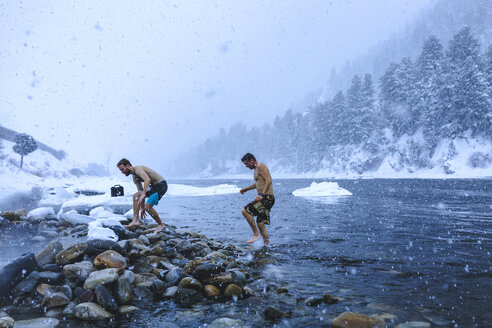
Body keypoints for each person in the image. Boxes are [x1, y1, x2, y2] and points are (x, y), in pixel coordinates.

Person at [117, 158, 168, 233]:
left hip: (161, 186)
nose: (122, 172)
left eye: (122, 169)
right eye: (120, 170)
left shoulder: (138, 169)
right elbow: (140, 193)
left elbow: (147, 180)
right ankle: (135, 220)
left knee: (148, 207)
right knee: (136, 196)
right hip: (153, 187)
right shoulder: (135, 178)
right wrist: (142, 208)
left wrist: (143, 194)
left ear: (127, 166)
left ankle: (161, 224)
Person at [239, 153, 275, 246]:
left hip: (267, 198)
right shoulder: (255, 169)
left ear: (252, 160)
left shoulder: (261, 166)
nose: (246, 166)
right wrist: (246, 189)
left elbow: (269, 180)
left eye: (246, 163)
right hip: (266, 198)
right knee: (260, 223)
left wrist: (262, 195)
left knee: (245, 211)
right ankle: (267, 246)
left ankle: (256, 234)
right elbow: (258, 184)